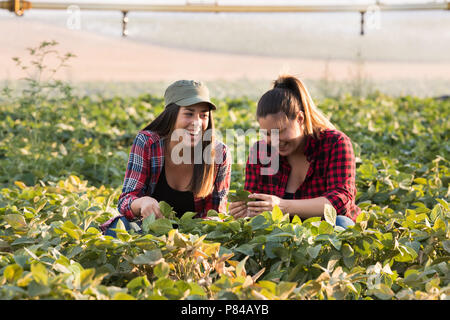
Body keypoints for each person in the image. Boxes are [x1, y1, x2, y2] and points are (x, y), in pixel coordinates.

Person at [100, 80, 231, 236]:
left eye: (203, 115)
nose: (197, 122)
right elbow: (125, 202)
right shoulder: (148, 143)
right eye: (189, 113)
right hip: (146, 233)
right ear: (172, 114)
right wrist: (142, 202)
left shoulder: (218, 153)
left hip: (193, 240)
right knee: (119, 230)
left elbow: (215, 215)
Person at [229, 74, 360, 228]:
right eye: (268, 134)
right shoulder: (261, 151)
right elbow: (255, 201)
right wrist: (246, 211)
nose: (275, 141)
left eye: (281, 131)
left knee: (340, 223)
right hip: (283, 236)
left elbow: (340, 201)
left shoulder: (334, 143)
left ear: (300, 119)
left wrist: (282, 205)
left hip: (325, 232)